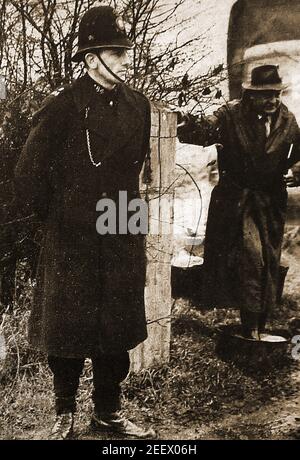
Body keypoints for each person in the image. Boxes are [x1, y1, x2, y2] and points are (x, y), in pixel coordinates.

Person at [14, 6, 155, 440]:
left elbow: (136, 173)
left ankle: (109, 413)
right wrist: (53, 224)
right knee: (68, 325)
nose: (127, 59)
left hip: (121, 220)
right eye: (117, 51)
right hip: (71, 229)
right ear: (92, 58)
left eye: (127, 50)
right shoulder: (61, 109)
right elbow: (27, 178)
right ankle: (64, 414)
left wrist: (133, 224)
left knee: (117, 320)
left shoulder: (139, 105)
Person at [177, 64, 300, 340]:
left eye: (277, 94)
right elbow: (205, 129)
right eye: (266, 94)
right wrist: (182, 120)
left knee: (269, 261)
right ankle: (250, 330)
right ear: (252, 94)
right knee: (251, 258)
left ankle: (258, 327)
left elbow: (298, 154)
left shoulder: (287, 120)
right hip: (238, 202)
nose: (273, 100)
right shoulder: (230, 115)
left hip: (271, 204)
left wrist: (295, 171)